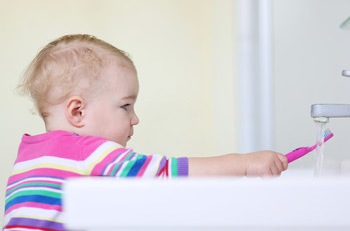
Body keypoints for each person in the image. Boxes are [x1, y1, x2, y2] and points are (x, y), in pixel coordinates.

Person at [3, 34, 288, 231]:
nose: (135, 119)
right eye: (125, 106)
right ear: (78, 112)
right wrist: (247, 163)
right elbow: (169, 172)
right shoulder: (88, 151)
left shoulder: (28, 155)